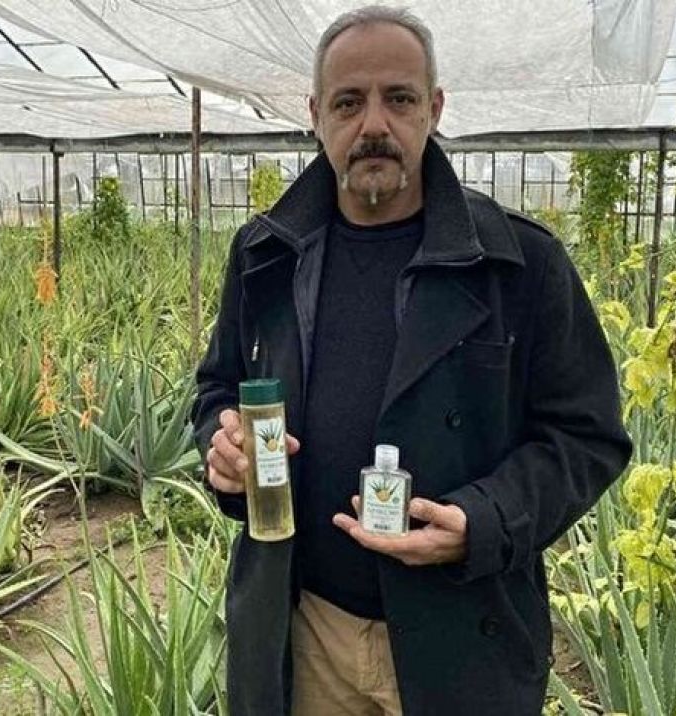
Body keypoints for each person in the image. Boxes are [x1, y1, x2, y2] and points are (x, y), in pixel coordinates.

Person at [191, 6, 633, 715]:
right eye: (348, 102)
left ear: (434, 108)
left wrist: (485, 520)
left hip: (458, 635)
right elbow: (219, 387)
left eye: (398, 99)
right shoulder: (266, 255)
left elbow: (587, 438)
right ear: (315, 115)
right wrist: (223, 444)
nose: (374, 124)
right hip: (306, 625)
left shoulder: (518, 263)